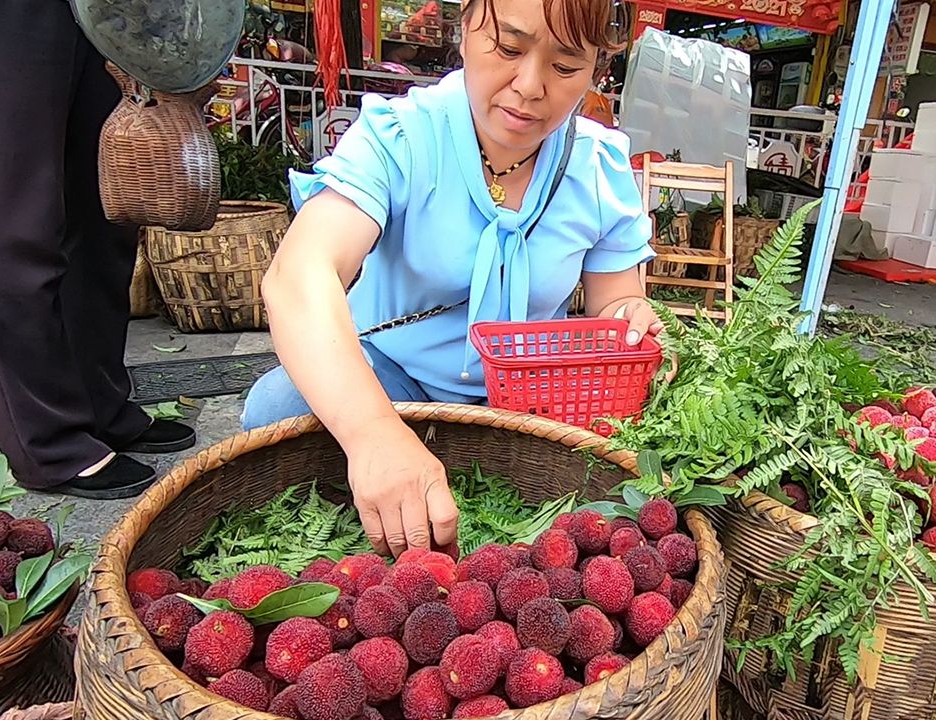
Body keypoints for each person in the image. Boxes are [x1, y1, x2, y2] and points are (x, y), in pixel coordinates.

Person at [242, 0, 662, 556]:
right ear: (464, 28)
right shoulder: (401, 138)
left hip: (533, 408)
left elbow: (616, 303)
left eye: (566, 67)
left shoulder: (598, 167)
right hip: (394, 387)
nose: (531, 85)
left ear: (595, 68)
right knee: (282, 407)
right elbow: (300, 274)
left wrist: (627, 320)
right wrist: (374, 436)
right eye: (508, 48)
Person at [0, 0, 195, 499]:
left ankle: (101, 406)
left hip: (93, 10)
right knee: (16, 219)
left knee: (102, 217)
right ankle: (47, 444)